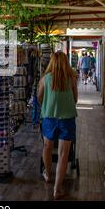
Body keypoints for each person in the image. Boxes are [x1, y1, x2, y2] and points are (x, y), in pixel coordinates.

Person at [38, 52, 78, 200]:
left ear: (52, 62)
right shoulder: (72, 78)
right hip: (67, 118)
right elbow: (75, 98)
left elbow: (39, 96)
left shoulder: (45, 79)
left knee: (47, 147)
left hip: (49, 117)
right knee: (63, 154)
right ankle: (57, 189)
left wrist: (47, 105)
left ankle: (48, 174)